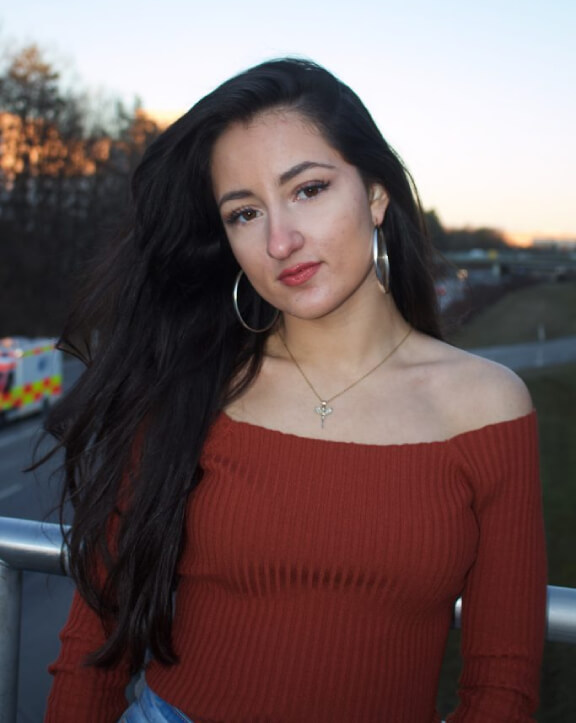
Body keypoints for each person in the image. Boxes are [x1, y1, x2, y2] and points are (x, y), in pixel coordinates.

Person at [43, 58, 547, 722]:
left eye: (308, 189)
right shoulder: (191, 384)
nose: (280, 241)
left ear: (375, 194)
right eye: (245, 212)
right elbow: (96, 639)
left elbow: (502, 683)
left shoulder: (486, 407)